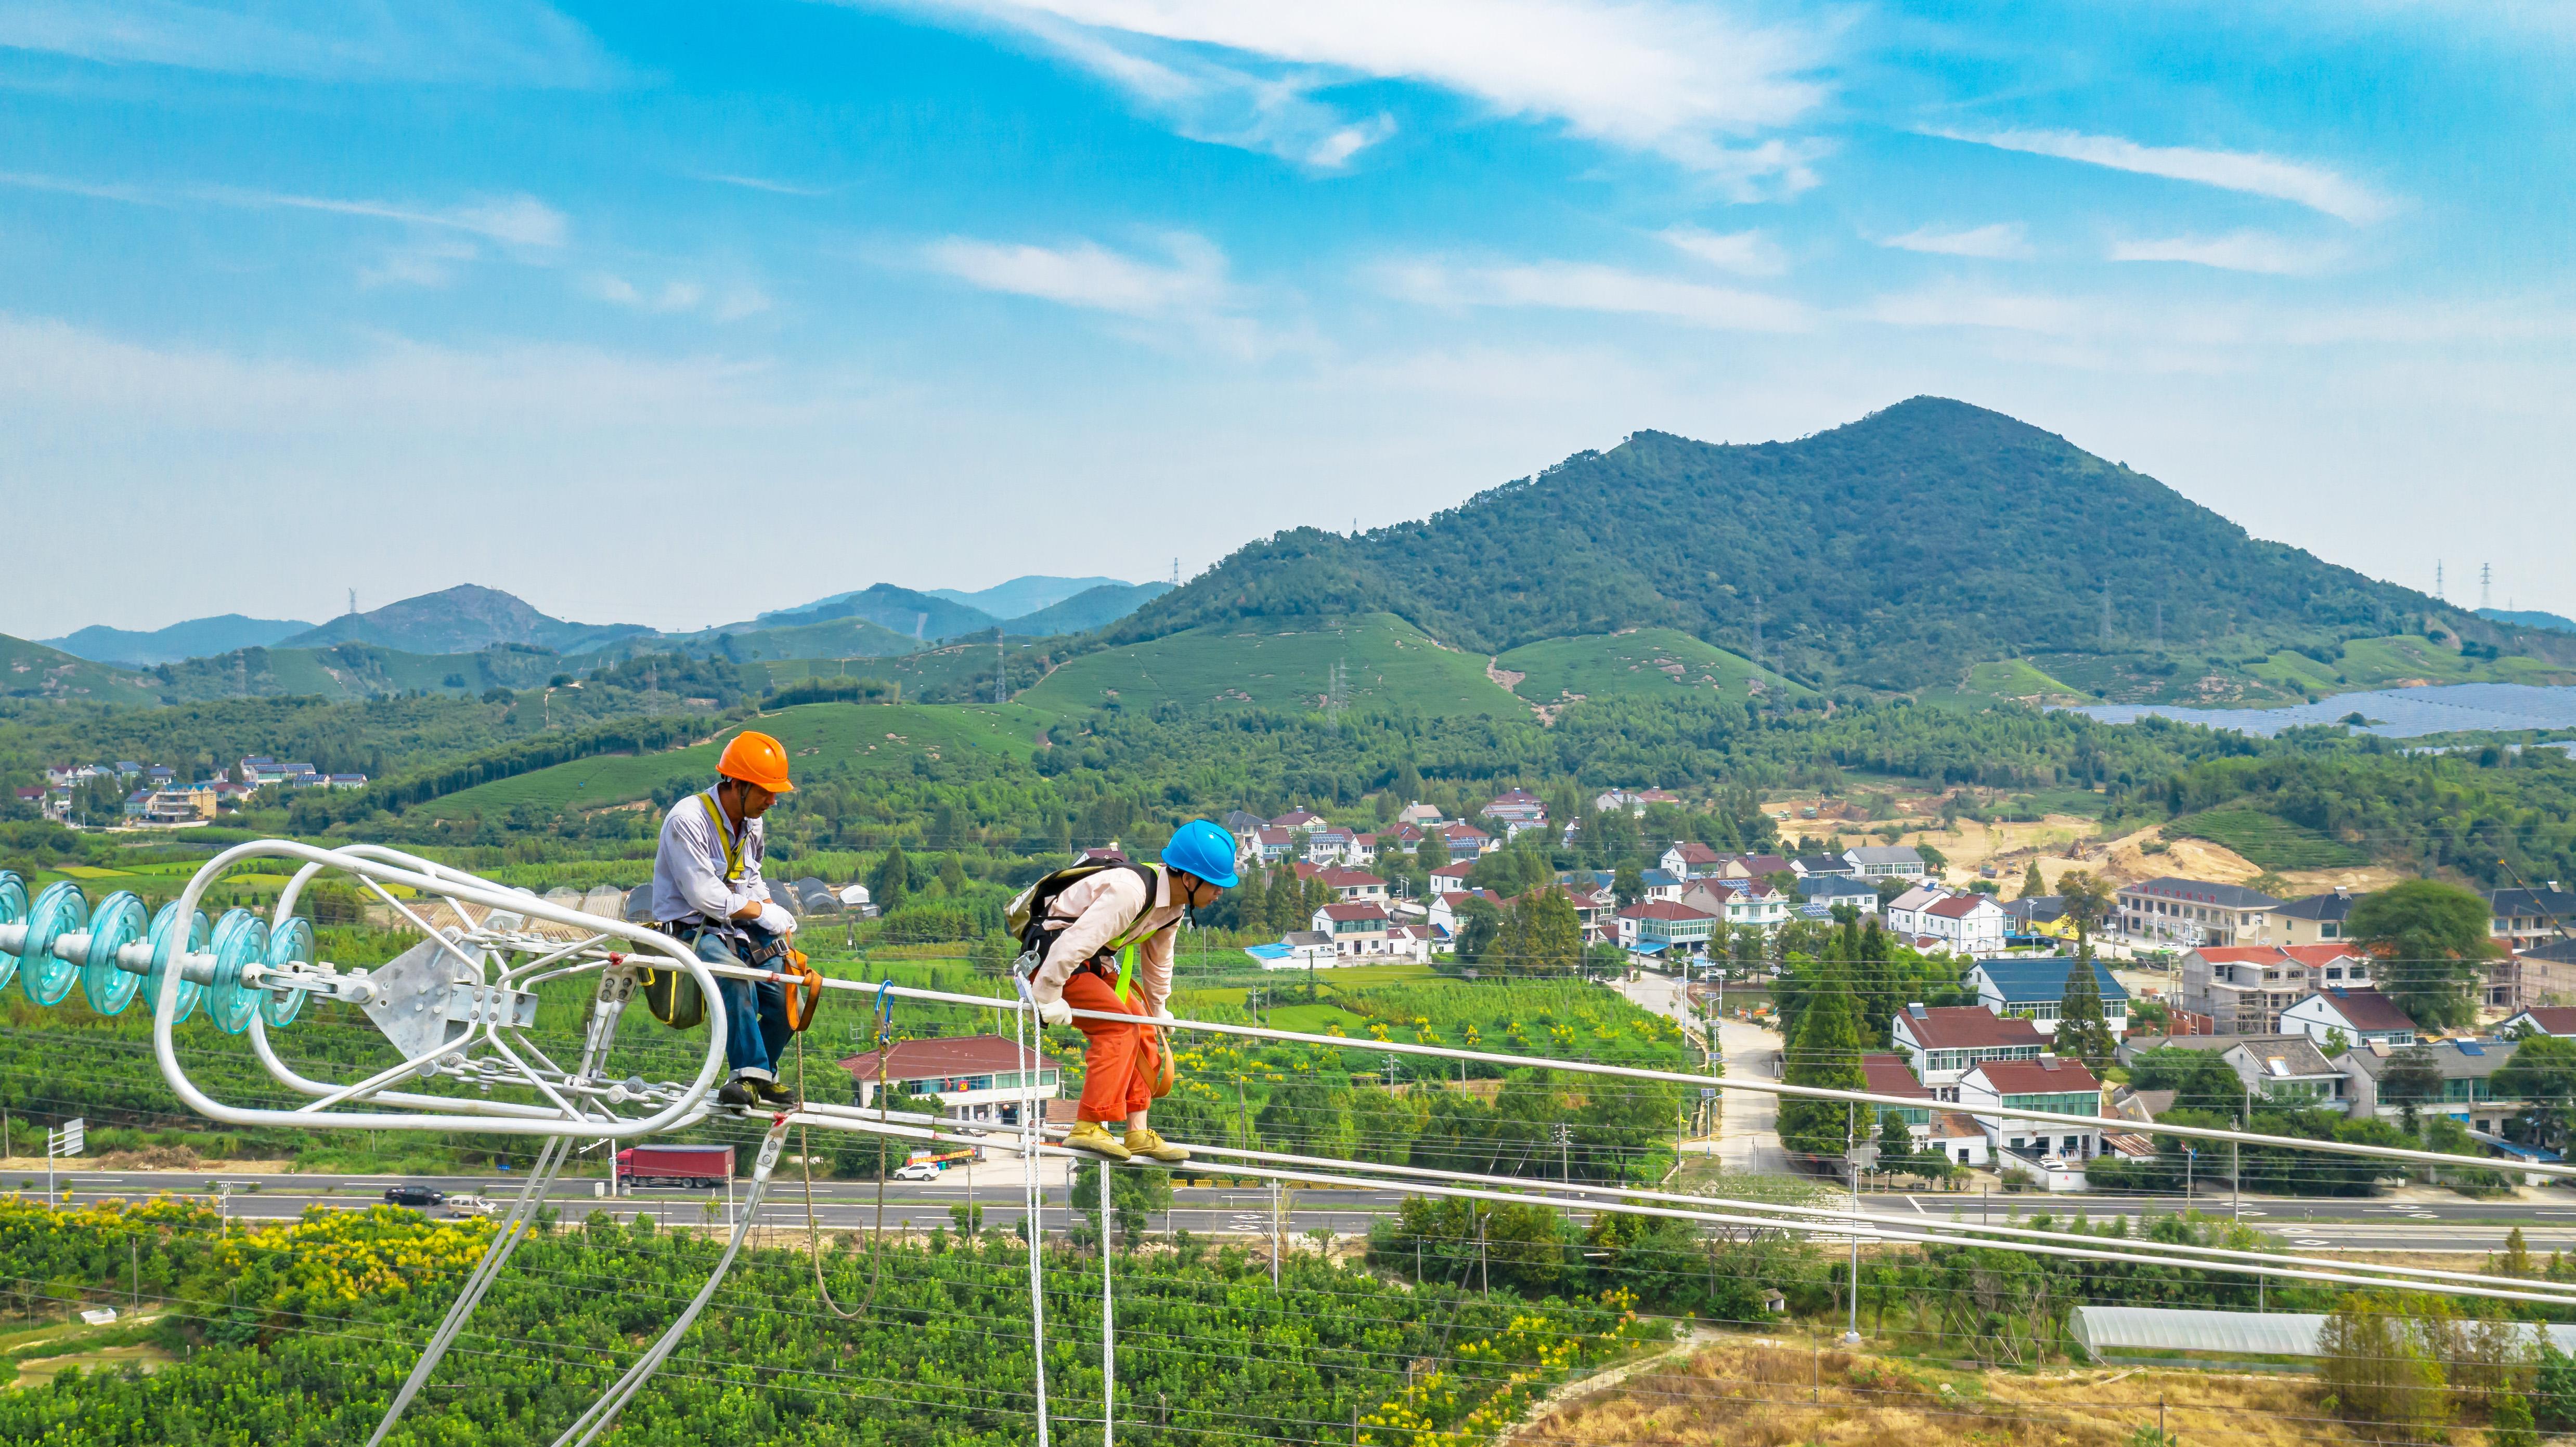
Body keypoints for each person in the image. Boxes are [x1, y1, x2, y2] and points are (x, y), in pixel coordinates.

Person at [1028, 819, 1239, 1162]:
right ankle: (1089, 1124)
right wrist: (1047, 993)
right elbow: (1072, 943)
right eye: (1215, 885)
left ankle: (1137, 1131)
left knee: (1142, 1026)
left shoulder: (1173, 905)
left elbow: (1158, 960)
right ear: (1189, 878)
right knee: (1118, 1027)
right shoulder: (1131, 892)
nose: (1219, 893)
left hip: (1092, 964)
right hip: (1055, 959)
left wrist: (1158, 1009)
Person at [651, 729, 801, 1111]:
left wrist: (772, 915)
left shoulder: (752, 821)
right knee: (737, 979)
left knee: (788, 988)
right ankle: (748, 1075)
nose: (772, 801)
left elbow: (750, 878)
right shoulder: (687, 820)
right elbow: (704, 894)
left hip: (734, 927)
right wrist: (761, 911)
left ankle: (758, 1076)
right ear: (737, 784)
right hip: (689, 929)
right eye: (766, 791)